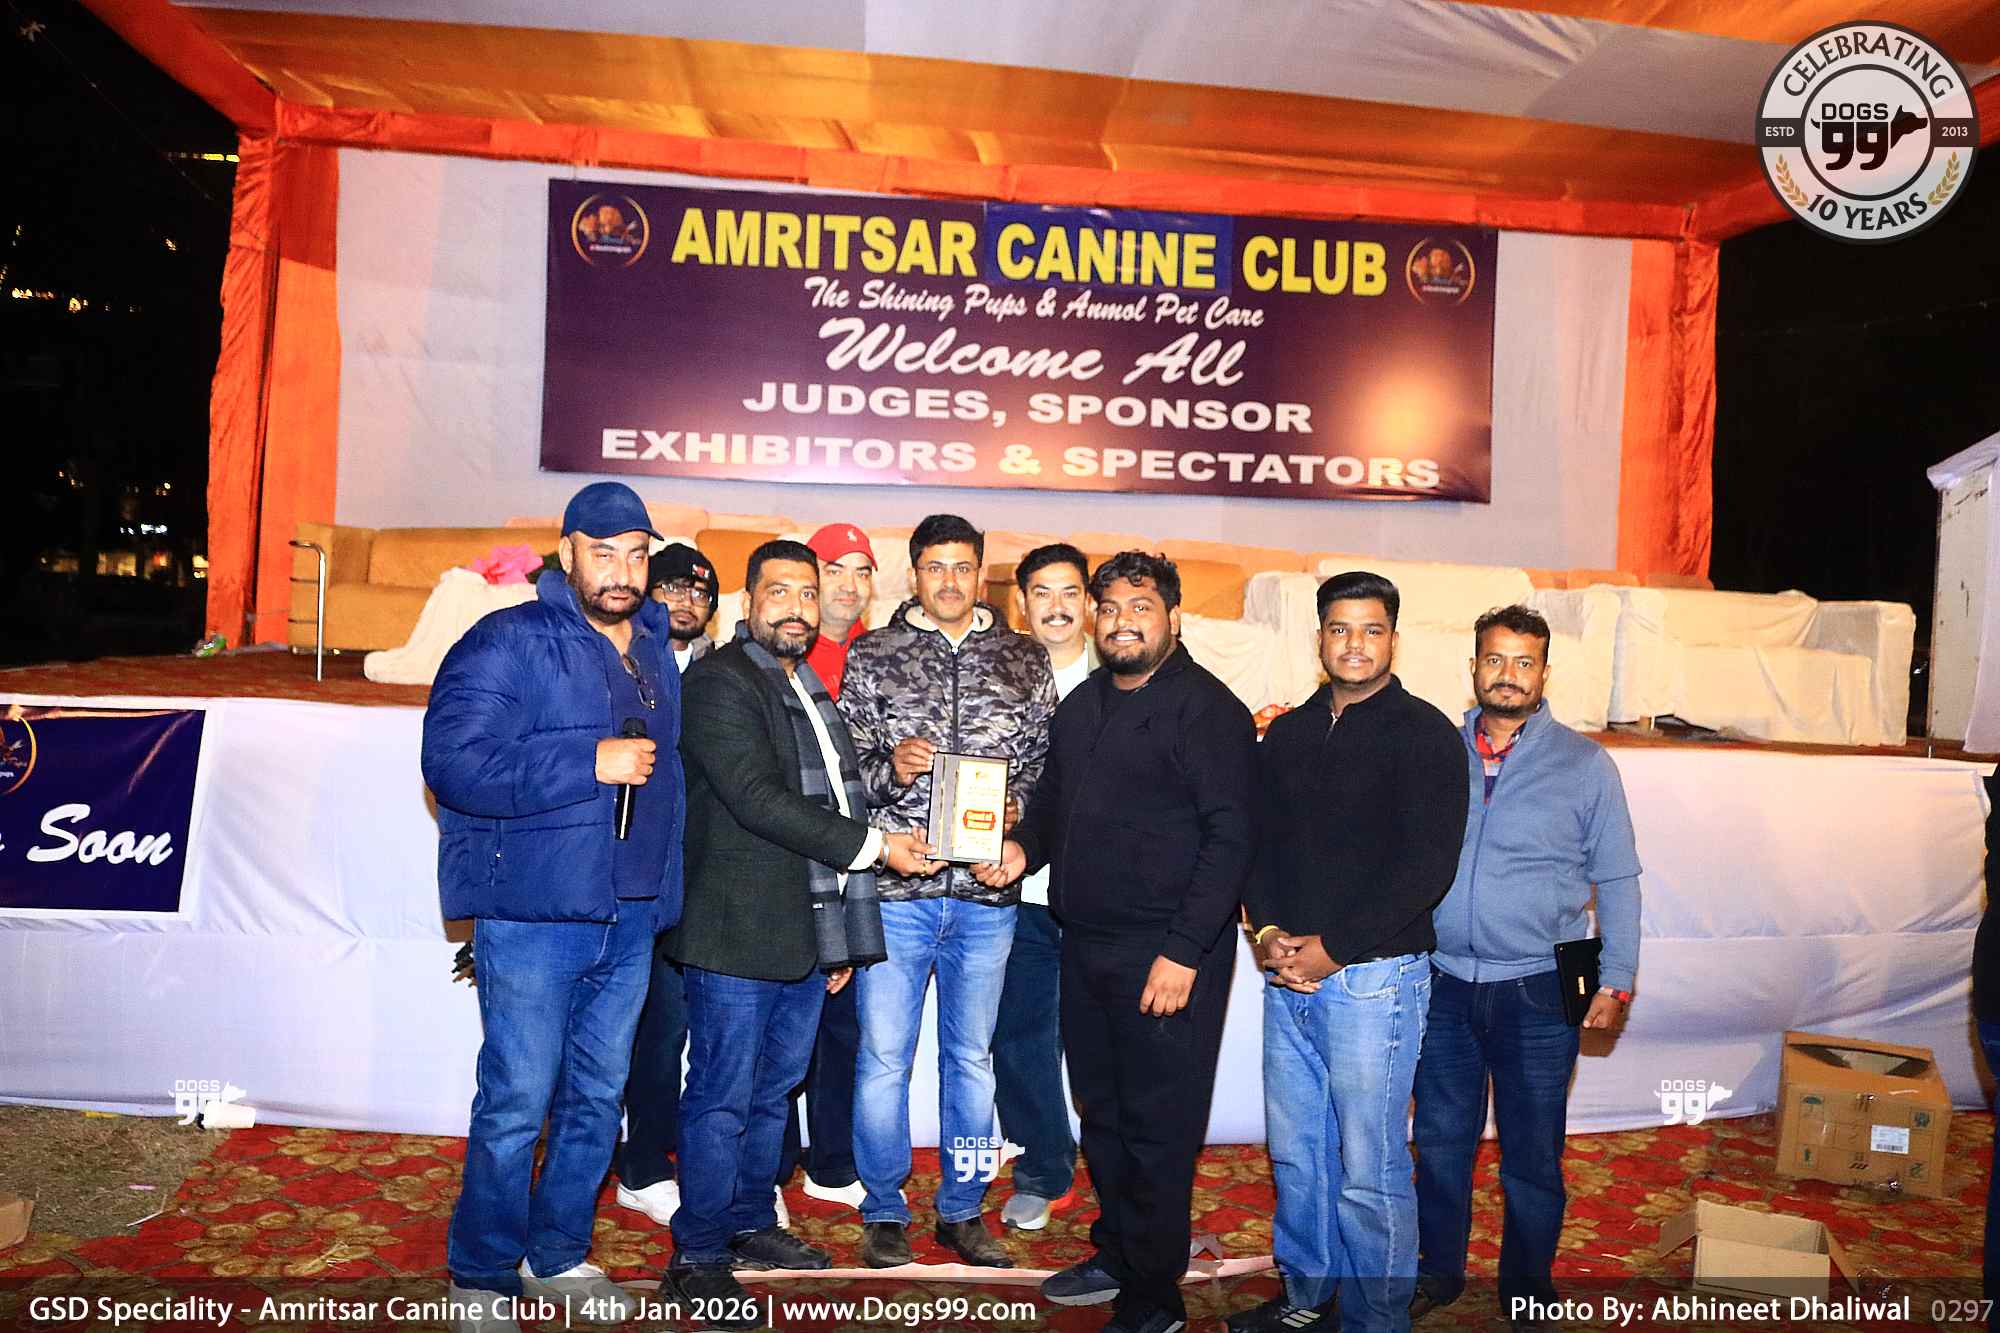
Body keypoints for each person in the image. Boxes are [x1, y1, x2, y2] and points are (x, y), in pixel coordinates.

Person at [422, 481, 685, 1333]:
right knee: (516, 1100)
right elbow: (452, 764)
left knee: (598, 1098)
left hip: (632, 914)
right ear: (566, 550)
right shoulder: (505, 639)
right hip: (535, 916)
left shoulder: (656, 647)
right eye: (603, 552)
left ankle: (559, 1253)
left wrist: (667, 895)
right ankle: (482, 1273)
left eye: (637, 554)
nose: (622, 571)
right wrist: (586, 760)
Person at [659, 540, 938, 1325]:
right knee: (721, 1098)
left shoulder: (806, 685)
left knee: (774, 1091)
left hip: (806, 933)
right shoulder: (720, 681)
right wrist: (879, 848)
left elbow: (835, 801)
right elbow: (757, 799)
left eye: (808, 593)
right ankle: (697, 1254)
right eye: (778, 591)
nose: (796, 607)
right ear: (748, 602)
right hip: (734, 932)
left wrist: (836, 933)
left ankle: (749, 1220)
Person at [988, 550, 1257, 1333]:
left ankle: (1155, 1295)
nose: (1121, 622)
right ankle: (1118, 1250)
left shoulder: (1208, 710)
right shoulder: (1082, 705)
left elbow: (1231, 840)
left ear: (1174, 617)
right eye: (1109, 608)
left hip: (1167, 955)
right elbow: (1051, 806)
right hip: (1086, 945)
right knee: (1101, 1113)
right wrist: (1022, 849)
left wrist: (1183, 949)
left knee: (1158, 1127)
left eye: (1140, 607)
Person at [1229, 571, 1468, 1333]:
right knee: (1298, 1155)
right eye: (1340, 628)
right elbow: (1258, 846)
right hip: (1287, 977)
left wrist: (1332, 949)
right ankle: (1306, 1299)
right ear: (1320, 637)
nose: (1354, 643)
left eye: (1370, 629)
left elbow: (1426, 868)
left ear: (1393, 638)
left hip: (1374, 981)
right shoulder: (1290, 732)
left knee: (1370, 1166)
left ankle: (1375, 1317)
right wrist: (1267, 933)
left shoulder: (1426, 734)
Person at [1411, 605, 1642, 1332]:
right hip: (1442, 984)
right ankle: (1437, 1271)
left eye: (1523, 662)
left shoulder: (1585, 764)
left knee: (1533, 1155)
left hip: (1543, 987)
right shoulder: (1435, 752)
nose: (1507, 674)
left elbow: (1619, 878)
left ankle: (1528, 1286)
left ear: (1544, 673)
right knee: (1439, 1143)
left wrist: (1617, 976)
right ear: (1473, 667)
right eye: (1495, 659)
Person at [837, 513, 1056, 1269]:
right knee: (883, 1059)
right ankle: (883, 1208)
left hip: (986, 899)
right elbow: (847, 774)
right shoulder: (873, 653)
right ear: (915, 574)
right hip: (897, 893)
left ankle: (963, 1207)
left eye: (963, 567)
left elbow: (1045, 771)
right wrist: (891, 768)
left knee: (971, 1060)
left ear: (981, 573)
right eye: (936, 567)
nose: (950, 581)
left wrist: (1017, 815)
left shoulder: (1024, 658)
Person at [610, 540, 720, 1228]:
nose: (686, 601)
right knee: (630, 1034)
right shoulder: (622, 658)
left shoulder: (724, 670)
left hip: (697, 883)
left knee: (676, 1031)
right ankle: (632, 1166)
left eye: (700, 592)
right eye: (673, 587)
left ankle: (656, 1159)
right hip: (624, 875)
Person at [775, 521, 880, 1212]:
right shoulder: (778, 654)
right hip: (786, 861)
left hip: (856, 866)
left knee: (844, 1025)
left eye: (861, 570)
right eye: (833, 569)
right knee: (780, 1020)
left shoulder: (881, 656)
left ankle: (833, 1162)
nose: (847, 584)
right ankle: (772, 1166)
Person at [991, 543, 1093, 1232]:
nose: (1056, 607)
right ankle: (1043, 1168)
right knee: (1020, 1036)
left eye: (1069, 592)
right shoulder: (1000, 677)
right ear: (1021, 604)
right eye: (1042, 593)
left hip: (1101, 897)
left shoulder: (1122, 675)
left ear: (1089, 601)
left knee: (1104, 1043)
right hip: (1021, 890)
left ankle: (1118, 1165)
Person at [803, 523, 876, 697]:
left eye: (862, 574)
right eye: (834, 572)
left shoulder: (885, 654)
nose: (850, 587)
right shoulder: (784, 654)